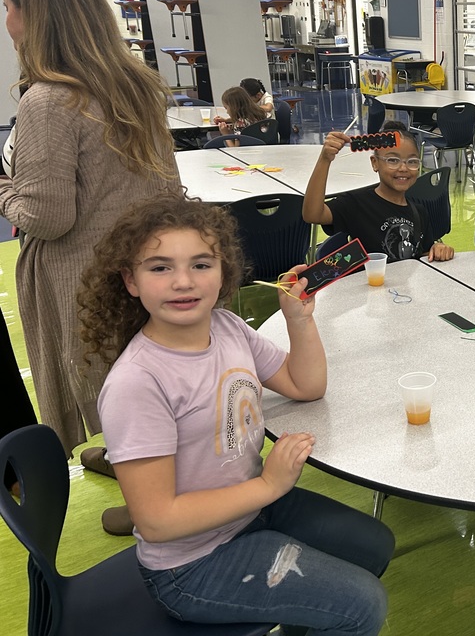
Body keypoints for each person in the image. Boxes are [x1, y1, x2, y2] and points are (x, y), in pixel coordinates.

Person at [80, 191, 393, 635]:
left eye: (201, 264)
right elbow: (156, 520)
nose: (183, 281)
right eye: (160, 267)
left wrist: (298, 320)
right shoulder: (138, 383)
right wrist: (269, 484)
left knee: (375, 545)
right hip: (191, 565)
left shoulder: (227, 327)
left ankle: (299, 619)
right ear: (131, 281)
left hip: (250, 511)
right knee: (363, 605)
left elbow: (306, 386)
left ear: (223, 272)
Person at [0, 0, 181, 463]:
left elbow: (46, 217)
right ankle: (136, 457)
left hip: (83, 275)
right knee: (140, 369)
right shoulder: (137, 84)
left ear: (34, 17)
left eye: (9, 6)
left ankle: (146, 495)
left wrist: (5, 190)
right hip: (143, 263)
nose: (6, 19)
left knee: (104, 375)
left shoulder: (48, 102)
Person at [302, 121, 454, 262]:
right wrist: (325, 159)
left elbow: (423, 253)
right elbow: (313, 214)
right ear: (375, 163)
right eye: (393, 160)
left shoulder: (419, 212)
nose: (403, 168)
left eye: (412, 161)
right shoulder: (357, 204)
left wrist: (437, 248)